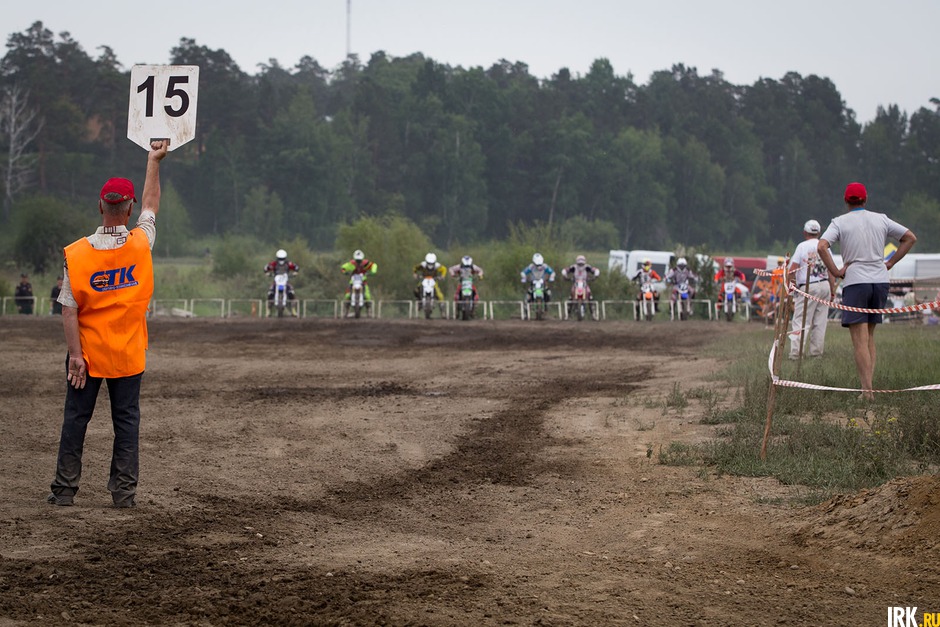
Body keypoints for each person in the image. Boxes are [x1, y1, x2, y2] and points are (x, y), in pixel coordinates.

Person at [47, 139, 169, 508]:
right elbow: (152, 205)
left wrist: (75, 356)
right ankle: (124, 494)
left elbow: (68, 309)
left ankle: (65, 490)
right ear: (128, 208)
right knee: (126, 423)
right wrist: (153, 160)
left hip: (88, 354)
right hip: (128, 353)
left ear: (100, 205)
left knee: (76, 419)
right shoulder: (141, 242)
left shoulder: (78, 253)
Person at [818, 182, 916, 401]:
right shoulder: (881, 218)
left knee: (859, 340)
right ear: (866, 199)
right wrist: (889, 263)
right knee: (870, 336)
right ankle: (869, 388)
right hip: (880, 282)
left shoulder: (839, 222)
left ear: (846, 201)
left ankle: (867, 392)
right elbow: (910, 237)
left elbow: (822, 246)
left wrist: (835, 271)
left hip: (855, 282)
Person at [788, 220, 837, 360]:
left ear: (805, 232)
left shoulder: (802, 247)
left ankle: (796, 354)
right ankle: (816, 354)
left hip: (808, 286)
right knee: (820, 322)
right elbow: (831, 271)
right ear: (819, 233)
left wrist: (791, 289)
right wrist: (832, 290)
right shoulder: (825, 247)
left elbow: (792, 270)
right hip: (825, 285)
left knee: (800, 320)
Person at [264, 249, 299, 316]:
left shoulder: (288, 264)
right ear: (277, 258)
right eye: (280, 259)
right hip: (276, 281)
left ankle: (293, 310)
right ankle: (268, 310)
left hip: (285, 281)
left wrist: (295, 273)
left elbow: (296, 267)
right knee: (270, 293)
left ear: (285, 258)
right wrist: (267, 273)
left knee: (291, 292)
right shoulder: (274, 264)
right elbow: (266, 268)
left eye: (282, 259)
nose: (281, 260)